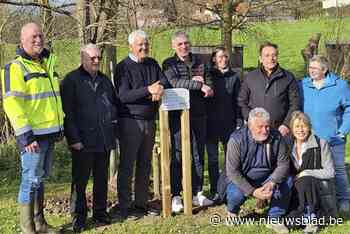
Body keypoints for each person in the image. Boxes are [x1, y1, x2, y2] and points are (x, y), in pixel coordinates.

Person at [1, 22, 64, 234]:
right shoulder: (16, 67)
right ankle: (28, 228)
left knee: (40, 180)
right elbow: (12, 104)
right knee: (30, 181)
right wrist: (26, 137)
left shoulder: (47, 63)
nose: (38, 40)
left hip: (48, 135)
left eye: (40, 36)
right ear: (22, 41)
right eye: (33, 37)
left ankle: (40, 224)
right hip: (32, 137)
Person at [60, 44, 118, 232]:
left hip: (103, 138)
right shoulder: (71, 80)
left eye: (99, 58)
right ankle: (78, 217)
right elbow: (67, 113)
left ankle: (100, 213)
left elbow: (114, 105)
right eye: (92, 58)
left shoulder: (105, 81)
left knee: (101, 178)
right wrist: (73, 139)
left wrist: (114, 130)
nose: (96, 61)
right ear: (83, 58)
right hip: (82, 140)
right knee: (80, 181)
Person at [114, 30, 167, 219]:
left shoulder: (152, 64)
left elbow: (164, 80)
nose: (144, 47)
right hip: (130, 122)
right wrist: (148, 90)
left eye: (146, 44)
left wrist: (159, 88)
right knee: (128, 165)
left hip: (149, 121)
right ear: (131, 47)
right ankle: (125, 206)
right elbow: (123, 96)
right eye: (140, 45)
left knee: (145, 165)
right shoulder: (123, 67)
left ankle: (141, 204)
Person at [162, 31, 214, 213]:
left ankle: (197, 192)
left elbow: (210, 84)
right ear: (173, 47)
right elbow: (174, 82)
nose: (184, 47)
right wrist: (197, 84)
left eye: (186, 43)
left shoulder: (200, 61)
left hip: (199, 114)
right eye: (180, 44)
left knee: (198, 154)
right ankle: (176, 195)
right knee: (178, 154)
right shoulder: (169, 63)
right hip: (178, 116)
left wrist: (205, 85)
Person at [223, 108, 292, 234]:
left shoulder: (276, 137)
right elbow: (232, 172)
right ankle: (232, 212)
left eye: (267, 126)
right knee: (235, 193)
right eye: (260, 127)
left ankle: (274, 218)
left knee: (287, 180)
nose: (265, 130)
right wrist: (253, 191)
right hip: (245, 178)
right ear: (249, 126)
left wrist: (272, 182)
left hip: (268, 178)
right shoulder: (236, 140)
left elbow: (283, 164)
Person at [299, 54, 350, 213]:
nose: (311, 70)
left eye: (315, 68)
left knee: (338, 170)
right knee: (311, 170)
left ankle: (344, 200)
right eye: (310, 67)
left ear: (325, 69)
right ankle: (316, 202)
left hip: (333, 138)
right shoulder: (303, 85)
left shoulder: (340, 86)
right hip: (309, 139)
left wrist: (342, 131)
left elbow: (349, 108)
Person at [287, 111, 336, 234]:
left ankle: (311, 218)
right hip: (295, 189)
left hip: (316, 188)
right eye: (297, 126)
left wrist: (307, 172)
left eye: (304, 126)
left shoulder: (321, 143)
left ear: (309, 127)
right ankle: (302, 215)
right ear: (292, 129)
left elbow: (330, 172)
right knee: (292, 224)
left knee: (305, 179)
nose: (300, 130)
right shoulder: (287, 145)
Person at [238, 41, 300, 137]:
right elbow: (242, 101)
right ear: (260, 59)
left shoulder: (288, 77)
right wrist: (251, 120)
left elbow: (295, 103)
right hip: (256, 131)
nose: (271, 59)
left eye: (274, 55)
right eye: (267, 55)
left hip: (280, 131)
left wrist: (286, 125)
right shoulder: (250, 77)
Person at [205, 46, 241, 201]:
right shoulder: (209, 76)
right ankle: (214, 189)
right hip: (211, 124)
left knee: (229, 159)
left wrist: (239, 120)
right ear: (214, 59)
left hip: (229, 123)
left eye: (225, 56)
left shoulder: (235, 77)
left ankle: (226, 190)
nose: (223, 59)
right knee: (212, 159)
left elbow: (238, 101)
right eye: (220, 57)